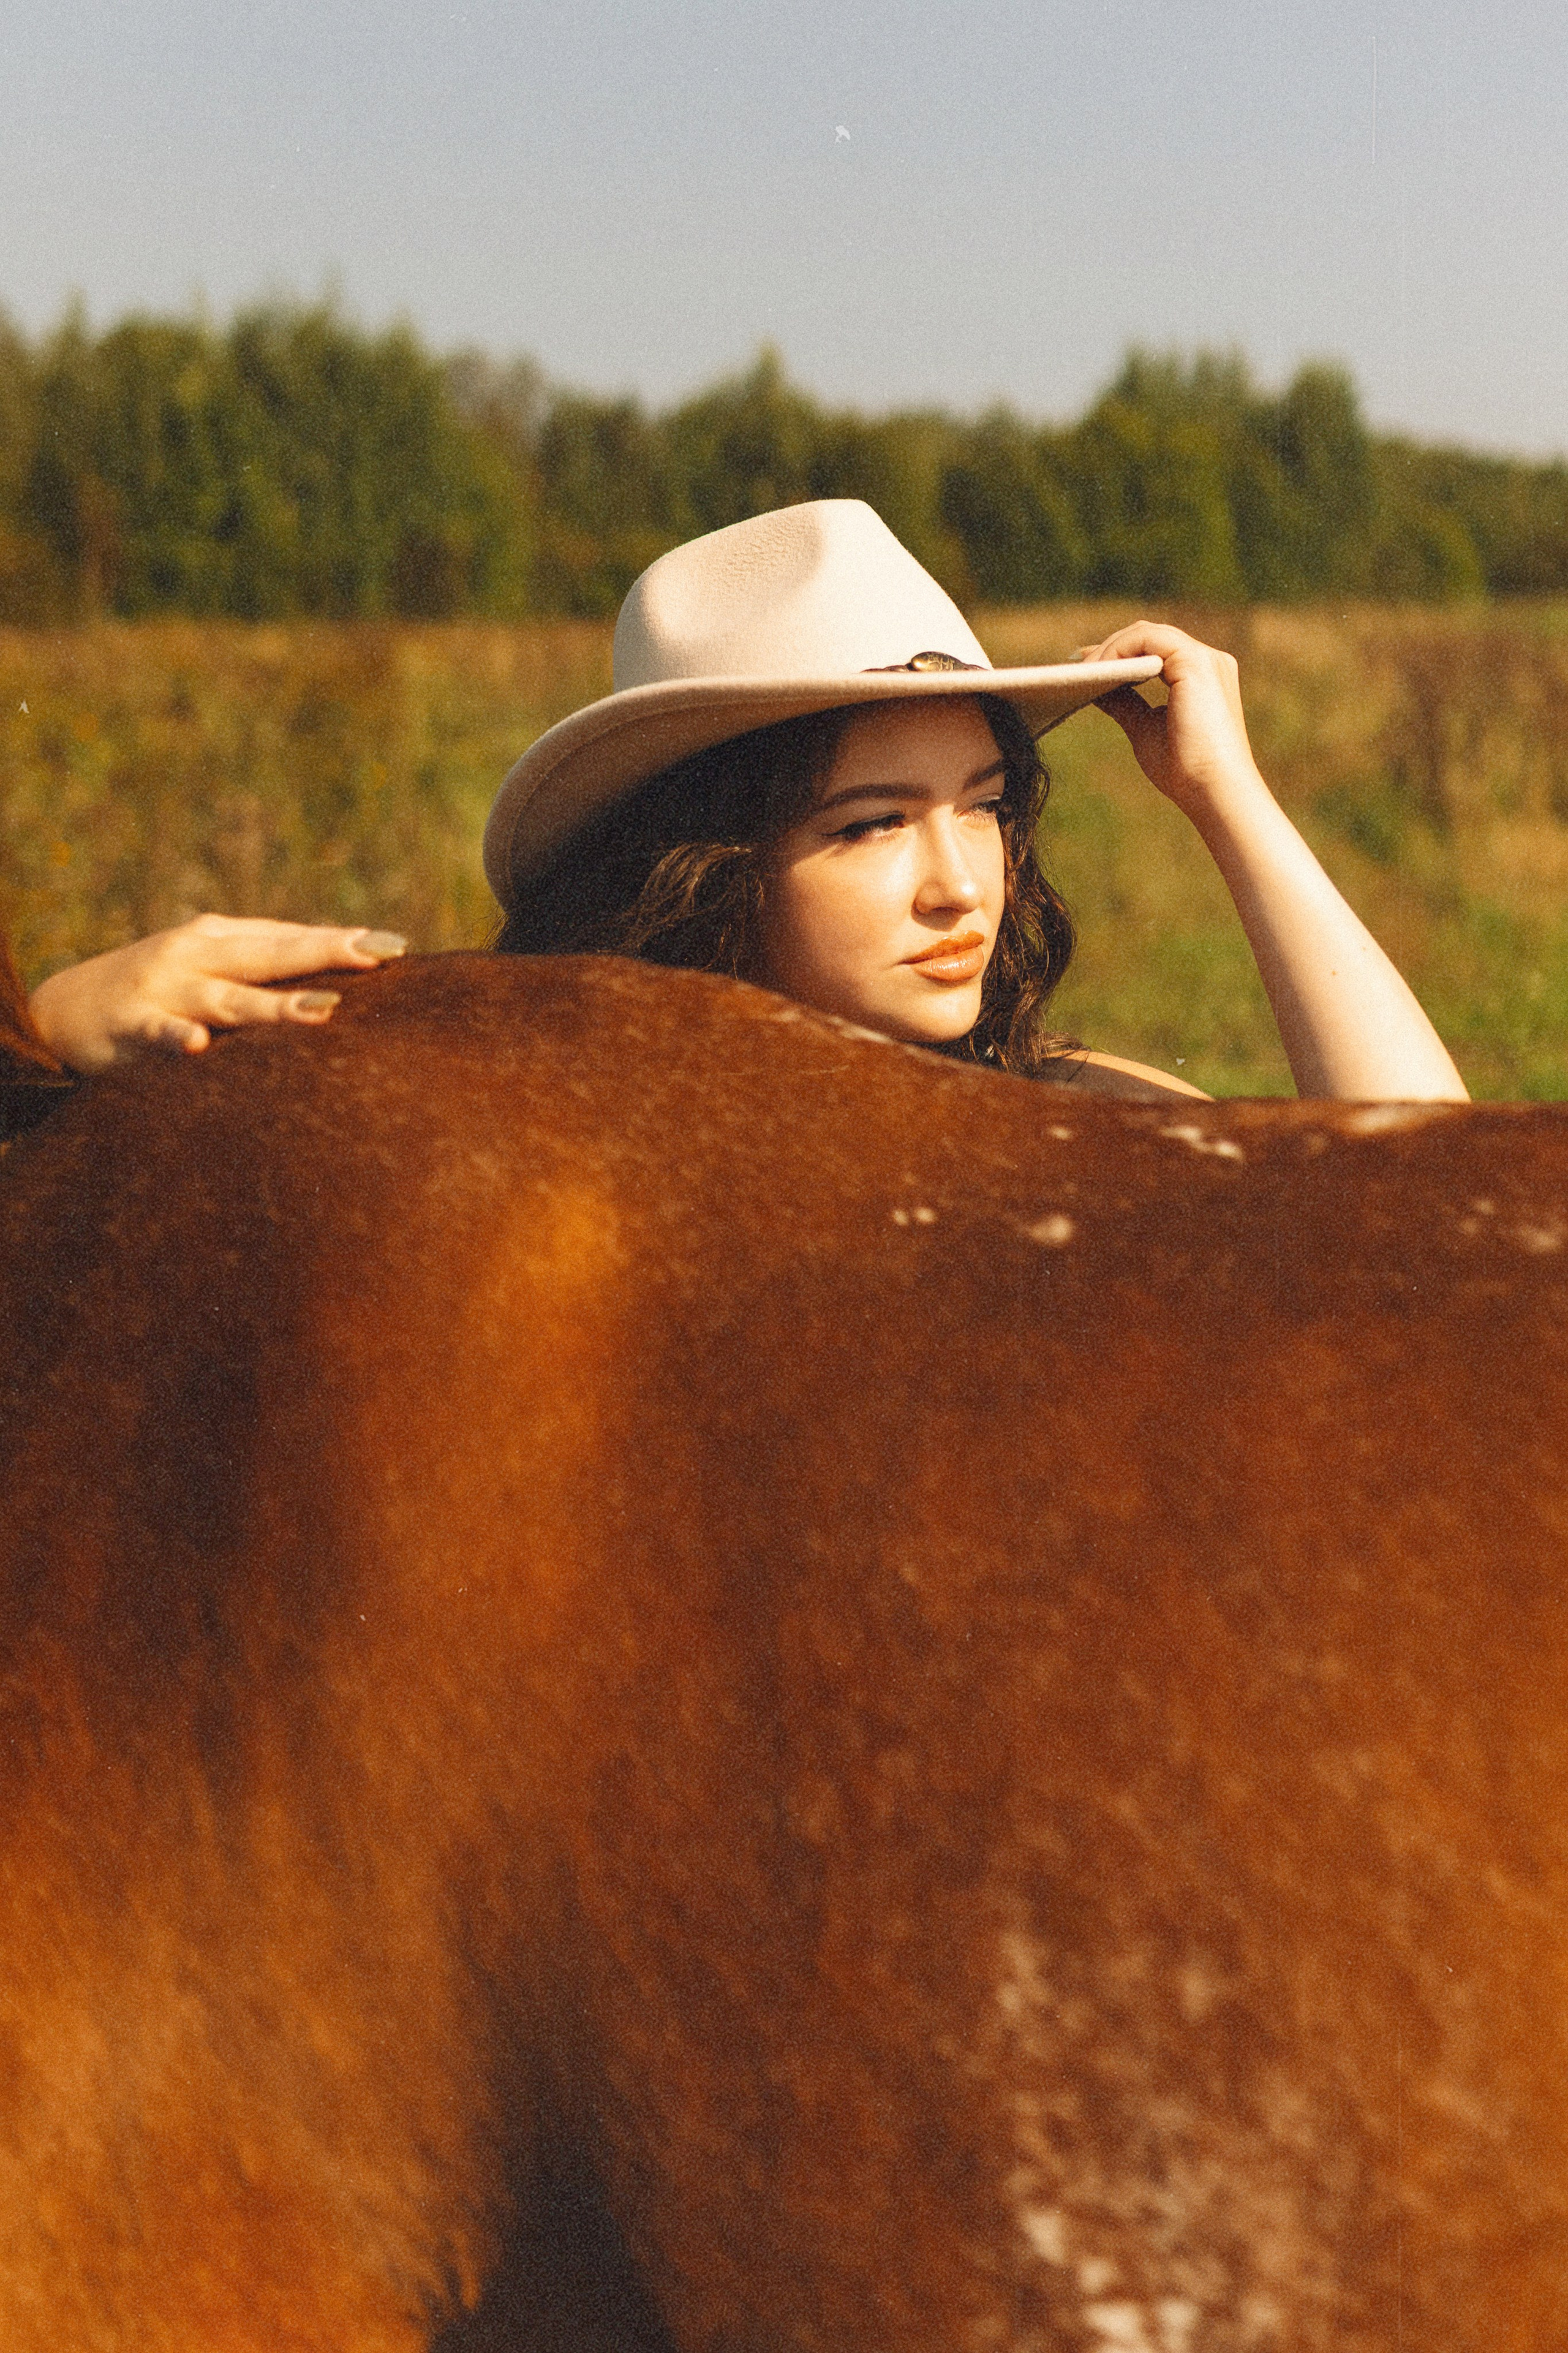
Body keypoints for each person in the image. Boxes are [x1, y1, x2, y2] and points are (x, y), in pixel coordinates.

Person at [25, 500, 1467, 1104]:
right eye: (867, 825)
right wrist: (45, 1038)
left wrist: (1229, 802)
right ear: (711, 871)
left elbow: (1411, 1194)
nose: (959, 884)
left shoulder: (1070, 1102)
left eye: (981, 806)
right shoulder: (564, 1124)